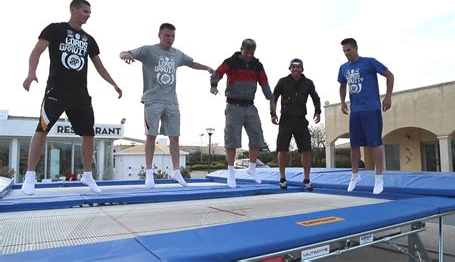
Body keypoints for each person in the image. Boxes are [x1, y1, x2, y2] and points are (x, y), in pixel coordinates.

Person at [21, 0, 123, 195]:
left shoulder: (89, 39)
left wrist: (114, 84)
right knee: (42, 129)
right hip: (56, 91)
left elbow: (99, 66)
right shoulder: (54, 29)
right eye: (85, 11)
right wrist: (31, 73)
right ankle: (30, 175)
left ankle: (87, 175)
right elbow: (36, 51)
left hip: (80, 94)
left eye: (89, 13)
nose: (88, 15)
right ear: (73, 9)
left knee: (89, 134)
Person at [119, 23, 213, 188]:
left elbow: (191, 63)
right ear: (160, 35)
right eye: (167, 35)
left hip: (171, 101)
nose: (170, 39)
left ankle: (177, 171)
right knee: (151, 136)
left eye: (172, 36)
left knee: (175, 137)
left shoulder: (177, 54)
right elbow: (125, 52)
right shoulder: (148, 50)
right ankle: (149, 173)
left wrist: (206, 68)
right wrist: (126, 55)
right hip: (152, 100)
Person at [210, 39, 276, 188]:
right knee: (232, 139)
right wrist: (214, 84)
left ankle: (251, 168)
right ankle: (231, 173)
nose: (249, 56)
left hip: (250, 106)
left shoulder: (257, 65)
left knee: (257, 137)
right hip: (233, 105)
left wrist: (271, 100)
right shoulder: (231, 61)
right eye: (246, 53)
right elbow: (218, 72)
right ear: (241, 50)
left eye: (252, 53)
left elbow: (265, 84)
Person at [337, 38, 394, 195]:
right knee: (354, 144)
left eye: (348, 50)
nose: (346, 53)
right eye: (344, 51)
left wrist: (388, 97)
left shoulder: (369, 62)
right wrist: (342, 102)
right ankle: (355, 175)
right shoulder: (343, 68)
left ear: (355, 48)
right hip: (355, 111)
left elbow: (390, 75)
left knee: (375, 143)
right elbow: (342, 85)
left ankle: (379, 178)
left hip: (371, 108)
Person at [272, 59, 321, 192]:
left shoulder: (308, 83)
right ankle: (282, 178)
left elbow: (315, 98)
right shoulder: (282, 81)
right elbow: (274, 97)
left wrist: (318, 111)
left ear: (302, 69)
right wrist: (273, 113)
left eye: (298, 67)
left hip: (300, 120)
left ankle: (306, 179)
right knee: (282, 149)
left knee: (307, 150)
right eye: (293, 67)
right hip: (285, 120)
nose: (295, 69)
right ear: (289, 68)